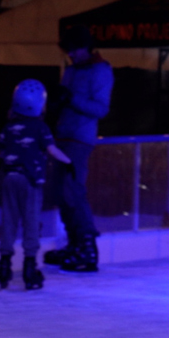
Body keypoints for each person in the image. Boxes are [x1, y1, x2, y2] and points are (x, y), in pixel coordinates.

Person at [44, 25, 112, 273]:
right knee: (61, 193)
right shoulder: (72, 70)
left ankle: (87, 247)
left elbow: (101, 108)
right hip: (63, 135)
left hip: (80, 139)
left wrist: (70, 99)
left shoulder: (100, 71)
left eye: (74, 50)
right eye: (69, 51)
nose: (71, 55)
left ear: (85, 47)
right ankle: (75, 243)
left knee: (73, 191)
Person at [0, 80, 74, 291]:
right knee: (31, 223)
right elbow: (51, 150)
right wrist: (69, 162)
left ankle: (4, 266)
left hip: (9, 178)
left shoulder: (8, 127)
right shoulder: (41, 128)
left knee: (9, 221)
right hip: (30, 181)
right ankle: (29, 269)